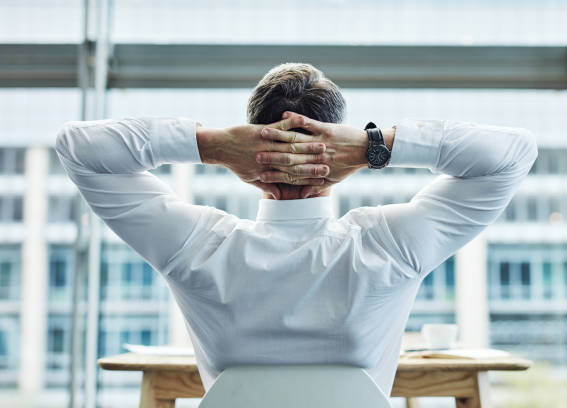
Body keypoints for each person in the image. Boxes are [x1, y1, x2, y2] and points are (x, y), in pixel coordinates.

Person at [55, 63, 537, 396]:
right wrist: (374, 146)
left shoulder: (198, 248)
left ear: (248, 149)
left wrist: (214, 146)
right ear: (336, 151)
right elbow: (513, 153)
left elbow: (78, 148)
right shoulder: (388, 247)